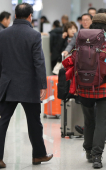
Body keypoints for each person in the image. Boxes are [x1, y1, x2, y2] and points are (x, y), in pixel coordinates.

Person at [63, 13, 106, 169]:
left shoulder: (80, 40)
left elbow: (73, 62)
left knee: (89, 121)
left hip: (84, 88)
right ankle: (97, 156)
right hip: (104, 89)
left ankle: (88, 150)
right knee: (101, 122)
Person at [0, 3, 53, 169]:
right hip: (29, 86)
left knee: (2, 123)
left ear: (15, 16)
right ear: (30, 16)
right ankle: (38, 155)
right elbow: (38, 62)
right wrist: (43, 85)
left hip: (7, 85)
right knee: (34, 122)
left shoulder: (3, 34)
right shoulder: (34, 35)